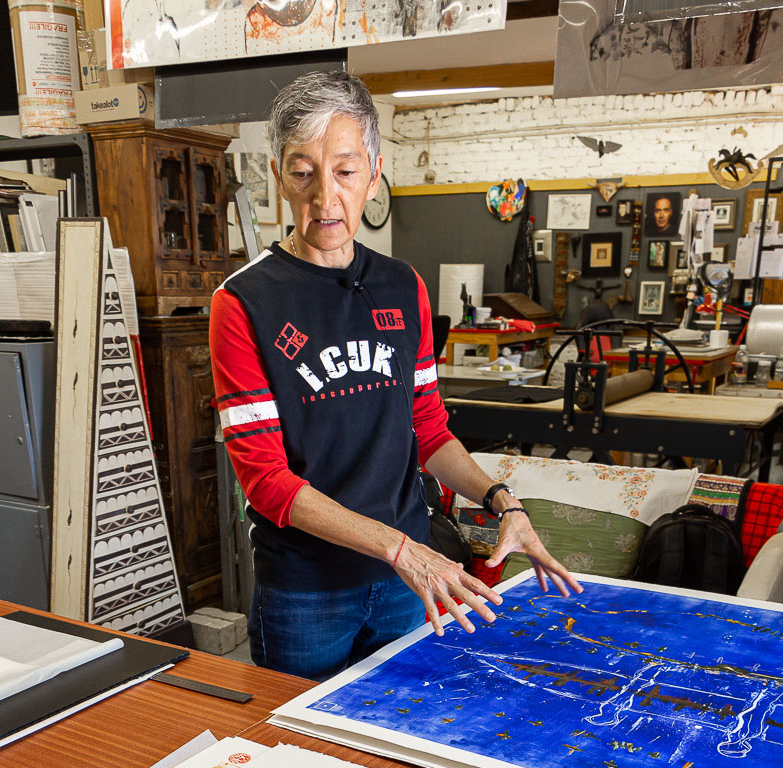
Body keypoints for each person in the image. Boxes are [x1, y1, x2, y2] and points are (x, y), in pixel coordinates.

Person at [209, 71, 581, 681]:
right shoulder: (245, 303)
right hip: (309, 592)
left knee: (403, 735)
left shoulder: (402, 286)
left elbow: (428, 431)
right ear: (279, 176)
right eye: (302, 173)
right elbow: (266, 482)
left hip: (410, 584)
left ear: (375, 172)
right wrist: (405, 552)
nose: (325, 198)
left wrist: (501, 501)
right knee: (301, 751)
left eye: (345, 171)